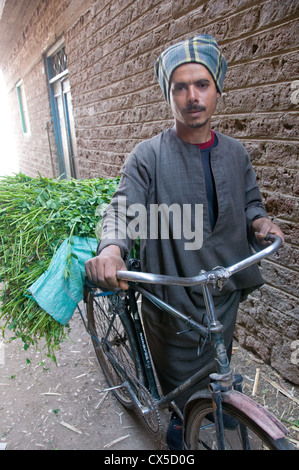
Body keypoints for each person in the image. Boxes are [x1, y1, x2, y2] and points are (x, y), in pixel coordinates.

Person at [85, 34, 284, 449]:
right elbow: (123, 208)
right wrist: (111, 248)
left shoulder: (236, 154)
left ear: (217, 89)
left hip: (221, 287)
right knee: (177, 379)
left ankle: (216, 405)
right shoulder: (147, 156)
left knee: (218, 353)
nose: (192, 96)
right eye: (180, 86)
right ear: (168, 93)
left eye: (202, 84)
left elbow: (249, 202)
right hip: (171, 294)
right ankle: (179, 422)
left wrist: (260, 220)